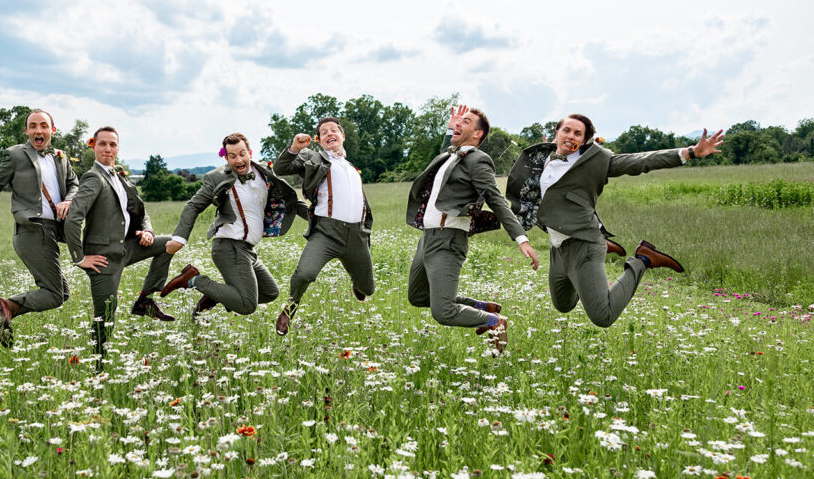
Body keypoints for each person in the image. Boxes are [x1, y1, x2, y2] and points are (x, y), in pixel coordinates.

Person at [506, 113, 724, 328]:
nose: (571, 136)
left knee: (603, 316)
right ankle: (601, 251)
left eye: (577, 133)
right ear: (557, 133)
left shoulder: (594, 163)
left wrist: (690, 153)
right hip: (558, 247)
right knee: (563, 305)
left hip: (584, 243)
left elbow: (639, 162)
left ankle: (642, 260)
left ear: (584, 140)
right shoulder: (542, 159)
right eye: (567, 130)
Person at [406, 105, 539, 354]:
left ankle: (495, 323)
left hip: (448, 241)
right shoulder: (450, 156)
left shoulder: (478, 160)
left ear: (477, 134)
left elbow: (495, 199)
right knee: (417, 297)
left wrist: (521, 239)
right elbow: (449, 148)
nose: (459, 124)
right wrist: (451, 127)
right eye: (458, 122)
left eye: (465, 122)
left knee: (443, 312)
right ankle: (483, 308)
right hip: (427, 238)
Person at [160, 132, 302, 320]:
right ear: (226, 158)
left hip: (248, 249)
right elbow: (193, 206)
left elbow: (291, 200)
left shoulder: (263, 174)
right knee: (246, 305)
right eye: (232, 156)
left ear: (250, 152)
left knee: (269, 292)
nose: (239, 160)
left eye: (242, 153)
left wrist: (316, 216)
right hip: (229, 246)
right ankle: (194, 279)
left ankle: (215, 295)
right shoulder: (217, 178)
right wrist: (179, 237)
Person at [64, 126, 176, 358]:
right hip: (103, 258)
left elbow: (140, 210)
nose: (107, 149)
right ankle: (98, 364)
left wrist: (147, 231)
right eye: (102, 144)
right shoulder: (93, 177)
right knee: (105, 316)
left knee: (169, 243)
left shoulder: (118, 176)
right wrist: (79, 258)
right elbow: (74, 217)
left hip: (126, 248)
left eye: (112, 144)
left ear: (118, 147)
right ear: (93, 146)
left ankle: (145, 300)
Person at [0, 109, 78, 348]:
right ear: (26, 131)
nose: (38, 130)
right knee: (54, 294)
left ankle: (2, 312)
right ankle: (2, 307)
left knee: (61, 294)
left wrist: (69, 200)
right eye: (33, 126)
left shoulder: (60, 157)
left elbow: (74, 183)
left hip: (52, 230)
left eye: (43, 125)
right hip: (31, 230)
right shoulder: (15, 155)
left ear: (52, 130)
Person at [271, 116, 374, 335]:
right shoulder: (313, 159)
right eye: (324, 132)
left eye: (333, 130)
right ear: (319, 140)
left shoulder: (351, 168)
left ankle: (357, 280)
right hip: (326, 233)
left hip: (356, 234)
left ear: (342, 136)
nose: (329, 134)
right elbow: (281, 168)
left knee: (368, 289)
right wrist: (295, 148)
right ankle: (290, 308)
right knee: (304, 274)